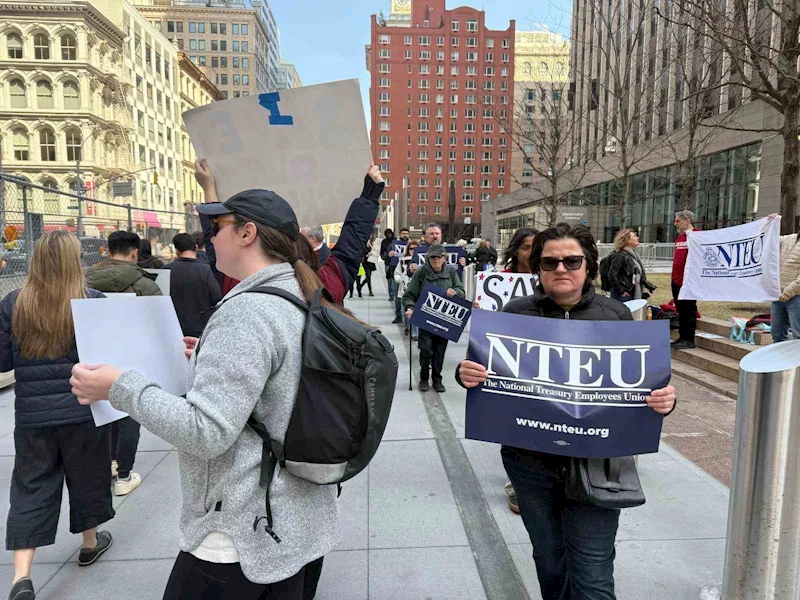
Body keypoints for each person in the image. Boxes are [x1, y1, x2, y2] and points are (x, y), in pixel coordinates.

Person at [70, 189, 347, 600]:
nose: (209, 238)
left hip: (240, 532)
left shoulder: (247, 312)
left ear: (247, 233)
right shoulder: (301, 293)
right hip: (297, 520)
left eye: (217, 227)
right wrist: (205, 353)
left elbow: (206, 433)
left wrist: (119, 386)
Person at [456, 224, 677, 600]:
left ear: (589, 267)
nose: (561, 268)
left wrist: (665, 401)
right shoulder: (514, 315)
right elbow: (490, 378)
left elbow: (647, 386)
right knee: (549, 560)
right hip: (530, 465)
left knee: (592, 576)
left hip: (598, 465)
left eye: (572, 260)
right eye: (550, 262)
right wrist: (469, 375)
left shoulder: (616, 315)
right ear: (538, 269)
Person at [1, 232, 114, 600]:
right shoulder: (92, 301)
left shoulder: (13, 304)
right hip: (83, 409)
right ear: (74, 261)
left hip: (32, 416)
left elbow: (3, 361)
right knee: (88, 476)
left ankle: (21, 577)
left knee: (31, 487)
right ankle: (89, 542)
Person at [194, 159, 383, 304]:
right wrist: (369, 196)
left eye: (218, 225)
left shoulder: (239, 293)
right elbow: (348, 252)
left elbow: (347, 254)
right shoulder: (319, 288)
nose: (213, 239)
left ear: (247, 234)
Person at [86, 230, 162, 497]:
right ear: (134, 253)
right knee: (129, 415)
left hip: (93, 358)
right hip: (133, 357)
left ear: (108, 251)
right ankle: (124, 475)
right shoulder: (146, 284)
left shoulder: (85, 281)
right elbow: (159, 324)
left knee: (101, 414)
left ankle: (108, 463)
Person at [403, 244, 465, 393]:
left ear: (445, 258)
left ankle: (437, 379)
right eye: (433, 257)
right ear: (428, 258)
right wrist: (410, 308)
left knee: (439, 351)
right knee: (425, 350)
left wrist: (455, 292)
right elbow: (409, 295)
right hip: (425, 319)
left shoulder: (451, 272)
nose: (436, 260)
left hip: (444, 320)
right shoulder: (421, 273)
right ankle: (424, 378)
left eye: (440, 257)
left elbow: (461, 291)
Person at [164, 233, 222, 338]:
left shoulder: (165, 270)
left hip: (172, 328)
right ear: (195, 247)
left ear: (176, 251)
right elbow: (217, 297)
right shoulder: (207, 270)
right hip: (200, 328)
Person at [671, 210, 699, 349]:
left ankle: (689, 339)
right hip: (676, 280)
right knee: (680, 309)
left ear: (687, 220)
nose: (675, 223)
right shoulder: (680, 237)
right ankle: (682, 337)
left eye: (678, 221)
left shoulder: (697, 235)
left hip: (689, 280)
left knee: (689, 309)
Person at [606, 228, 656, 303]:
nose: (638, 238)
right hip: (623, 294)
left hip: (630, 291)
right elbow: (612, 275)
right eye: (634, 236)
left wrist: (647, 285)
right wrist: (621, 292)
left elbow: (636, 274)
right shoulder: (619, 255)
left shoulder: (632, 256)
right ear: (627, 240)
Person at [773, 225, 800, 342]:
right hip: (778, 296)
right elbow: (770, 239)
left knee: (798, 337)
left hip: (796, 297)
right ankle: (779, 360)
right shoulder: (789, 239)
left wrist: (787, 293)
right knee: (777, 334)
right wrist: (770, 223)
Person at [394, 239, 421, 338]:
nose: (413, 250)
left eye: (415, 248)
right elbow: (397, 272)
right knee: (404, 311)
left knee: (415, 311)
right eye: (411, 248)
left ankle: (415, 333)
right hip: (404, 290)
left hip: (417, 291)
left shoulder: (423, 261)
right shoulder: (402, 261)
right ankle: (407, 327)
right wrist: (399, 279)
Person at [383, 227, 409, 307]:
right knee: (397, 293)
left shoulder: (412, 244)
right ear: (399, 234)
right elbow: (384, 257)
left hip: (408, 273)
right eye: (403, 233)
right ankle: (398, 315)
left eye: (406, 233)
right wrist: (389, 255)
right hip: (395, 272)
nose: (405, 235)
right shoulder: (392, 245)